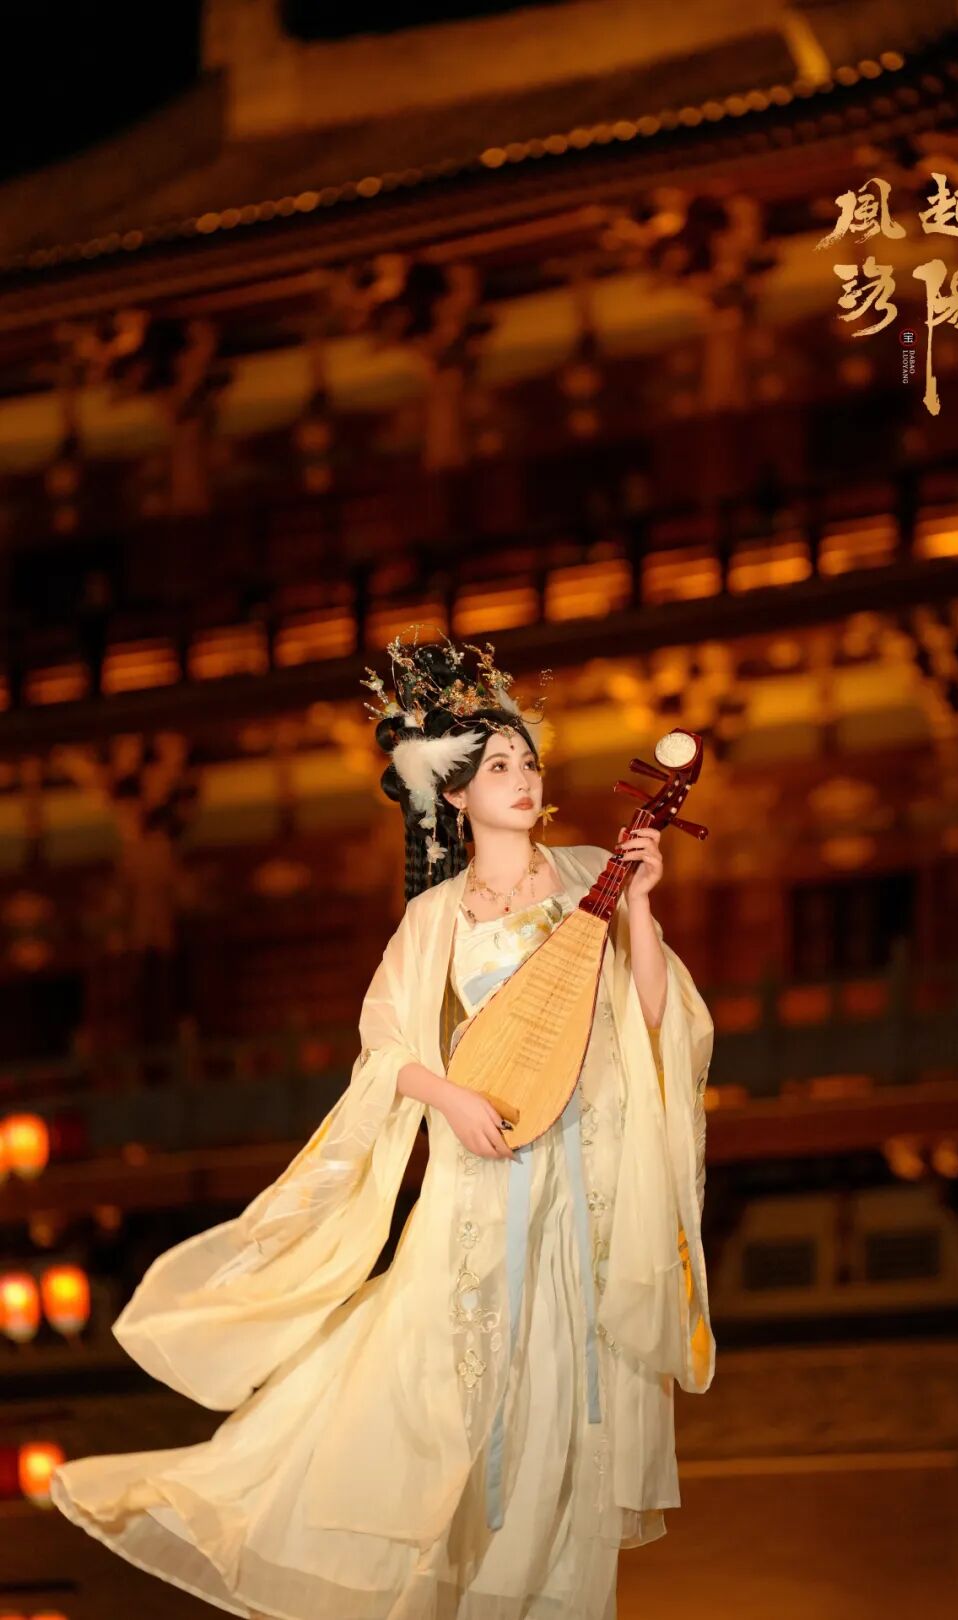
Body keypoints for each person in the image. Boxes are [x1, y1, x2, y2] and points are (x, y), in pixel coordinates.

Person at [50, 633, 715, 1620]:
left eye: (528, 760)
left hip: (583, 1178)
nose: (523, 778)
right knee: (449, 1397)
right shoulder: (436, 915)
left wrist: (646, 909)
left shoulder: (591, 873)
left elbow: (658, 1019)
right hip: (483, 1174)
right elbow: (386, 1049)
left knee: (565, 1406)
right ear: (456, 793)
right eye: (499, 765)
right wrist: (451, 1096)